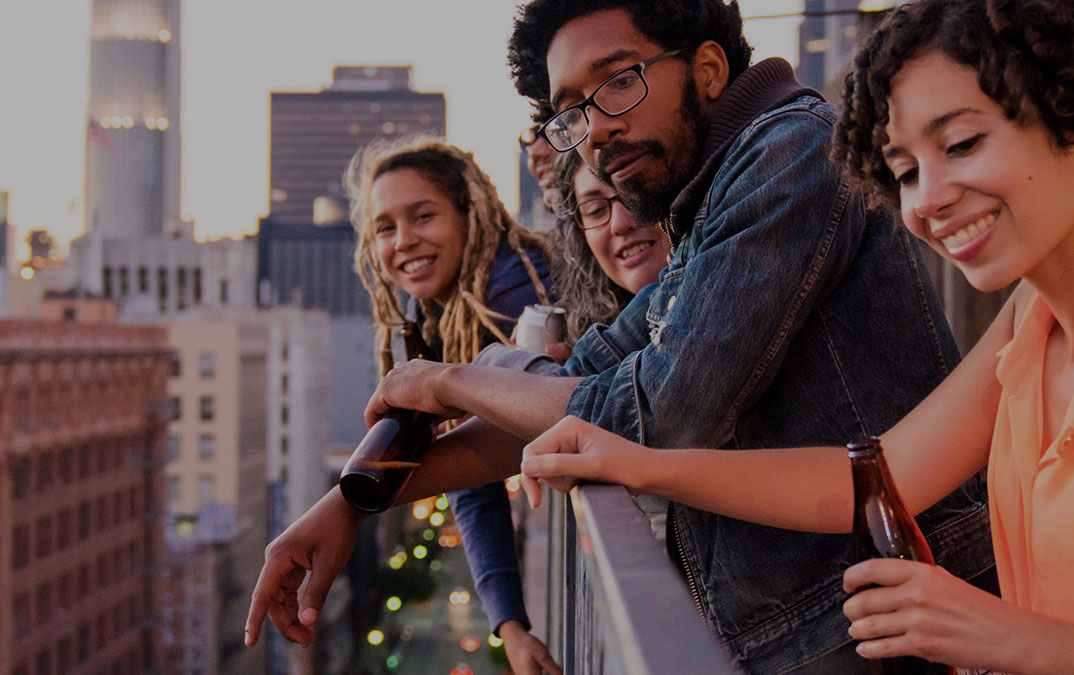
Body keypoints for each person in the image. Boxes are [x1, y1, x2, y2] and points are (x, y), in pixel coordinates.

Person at [246, 2, 994, 671]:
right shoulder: (708, 208)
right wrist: (347, 505)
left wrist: (448, 380)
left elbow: (664, 413)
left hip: (888, 627)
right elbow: (579, 388)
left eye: (617, 83)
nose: (596, 128)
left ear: (706, 67)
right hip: (817, 629)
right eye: (571, 109)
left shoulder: (788, 154)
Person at [520, 0, 1074, 672]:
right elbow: (873, 476)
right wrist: (637, 463)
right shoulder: (1029, 320)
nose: (926, 199)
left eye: (960, 144)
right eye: (903, 171)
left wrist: (1006, 635)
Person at [348, 136, 560, 673]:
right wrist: (509, 624)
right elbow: (471, 468)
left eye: (423, 216)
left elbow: (487, 455)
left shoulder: (513, 298)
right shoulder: (446, 315)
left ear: (470, 214)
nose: (404, 241)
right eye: (385, 228)